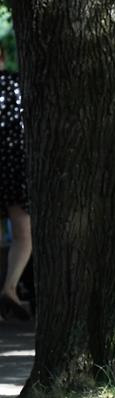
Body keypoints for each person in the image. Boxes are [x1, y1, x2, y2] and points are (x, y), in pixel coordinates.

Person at [0, 45, 31, 321]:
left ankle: (10, 288)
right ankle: (10, 286)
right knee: (23, 233)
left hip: (11, 163)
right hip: (13, 164)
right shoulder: (16, 84)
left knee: (22, 233)